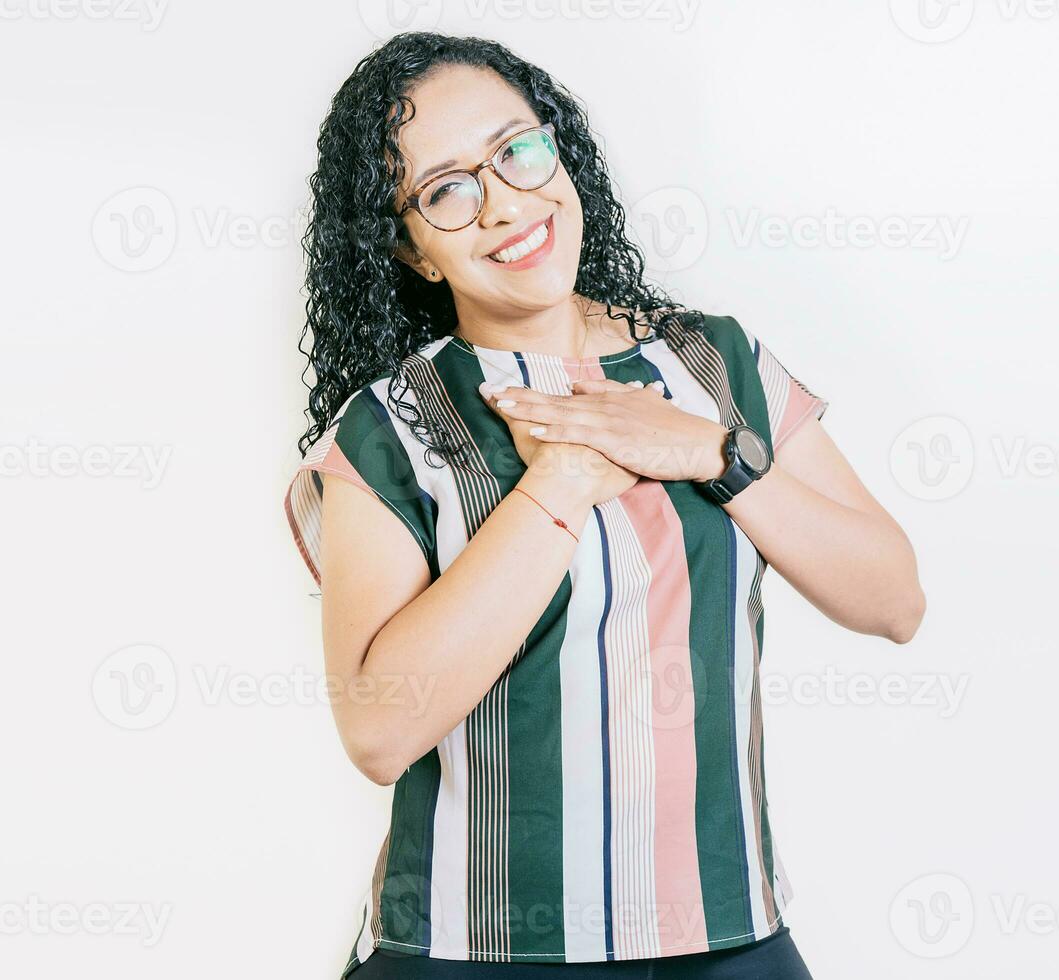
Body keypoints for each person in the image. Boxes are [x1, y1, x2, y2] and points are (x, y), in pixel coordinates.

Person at [283, 31, 925, 980]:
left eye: (516, 151)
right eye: (446, 190)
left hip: (729, 937)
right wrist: (559, 481)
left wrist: (710, 452)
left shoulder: (716, 363)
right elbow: (379, 731)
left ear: (560, 149)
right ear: (412, 249)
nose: (505, 203)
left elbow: (894, 602)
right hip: (473, 951)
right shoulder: (387, 432)